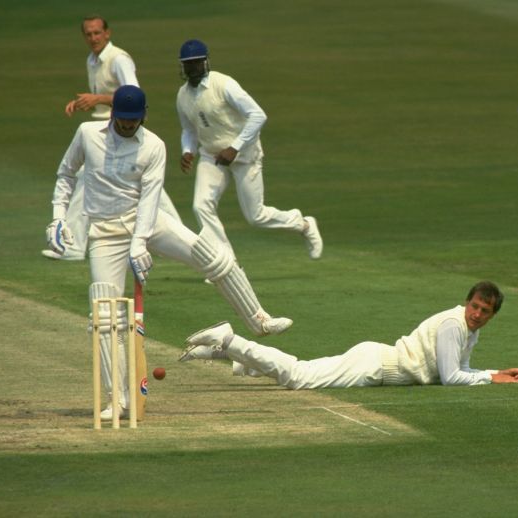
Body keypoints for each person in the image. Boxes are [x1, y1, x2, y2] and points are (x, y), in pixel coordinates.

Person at [46, 85, 293, 419]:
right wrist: (58, 218)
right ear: (114, 114)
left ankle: (259, 320)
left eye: (135, 120)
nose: (129, 126)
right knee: (105, 317)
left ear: (143, 115)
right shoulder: (87, 134)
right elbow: (65, 174)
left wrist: (139, 243)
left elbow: (150, 200)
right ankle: (117, 399)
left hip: (146, 220)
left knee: (212, 255)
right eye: (124, 120)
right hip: (105, 232)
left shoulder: (154, 145)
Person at [178, 281, 518, 388]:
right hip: (373, 366)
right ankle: (230, 339)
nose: (478, 314)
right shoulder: (455, 324)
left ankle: (227, 356)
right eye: (475, 306)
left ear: (492, 315)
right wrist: (492, 378)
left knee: (305, 369)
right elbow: (451, 378)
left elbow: (455, 368)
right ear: (466, 302)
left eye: (485, 312)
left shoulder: (469, 332)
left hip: (374, 359)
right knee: (299, 376)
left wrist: (495, 372)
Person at [42, 15, 182, 261]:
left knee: (95, 179)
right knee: (142, 186)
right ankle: (73, 245)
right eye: (88, 34)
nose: (93, 38)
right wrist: (86, 102)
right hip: (106, 125)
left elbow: (134, 93)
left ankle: (73, 246)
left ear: (107, 33)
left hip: (123, 126)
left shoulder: (119, 59)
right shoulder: (92, 60)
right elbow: (106, 96)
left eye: (97, 33)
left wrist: (97, 99)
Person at [175, 39, 323, 261]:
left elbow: (258, 115)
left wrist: (234, 148)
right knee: (200, 206)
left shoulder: (224, 84)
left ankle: (303, 224)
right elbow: (188, 129)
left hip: (244, 154)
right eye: (188, 64)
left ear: (206, 62)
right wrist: (188, 150)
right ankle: (225, 259)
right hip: (211, 155)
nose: (192, 68)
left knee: (256, 216)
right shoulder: (182, 95)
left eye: (196, 63)